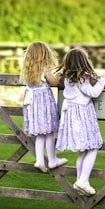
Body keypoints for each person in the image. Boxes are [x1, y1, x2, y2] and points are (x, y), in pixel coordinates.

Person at [56, 47, 105, 196]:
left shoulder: (67, 78)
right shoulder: (82, 78)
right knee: (93, 147)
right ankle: (83, 180)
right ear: (84, 61)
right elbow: (94, 92)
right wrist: (102, 80)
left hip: (72, 115)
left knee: (83, 151)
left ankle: (80, 182)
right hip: (83, 115)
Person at [20, 42, 68, 173]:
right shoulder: (45, 67)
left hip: (32, 102)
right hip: (43, 102)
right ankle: (52, 160)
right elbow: (53, 82)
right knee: (49, 131)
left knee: (41, 134)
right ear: (44, 54)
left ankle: (40, 160)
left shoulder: (28, 69)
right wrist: (59, 79)